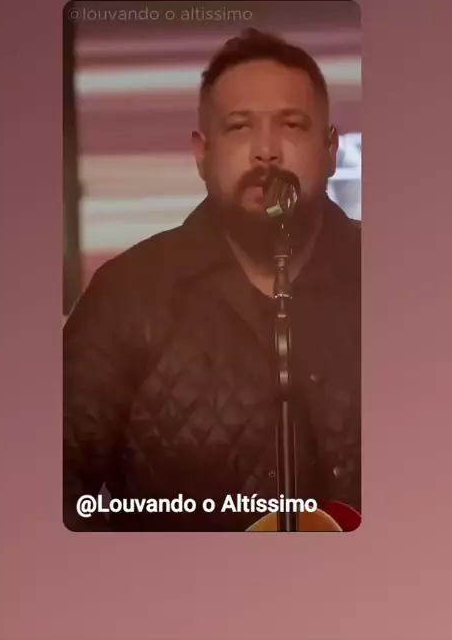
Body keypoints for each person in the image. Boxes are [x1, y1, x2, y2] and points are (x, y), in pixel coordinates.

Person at [63, 27, 361, 532]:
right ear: (202, 154)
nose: (266, 151)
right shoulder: (127, 293)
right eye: (240, 128)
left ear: (331, 149)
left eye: (291, 125)